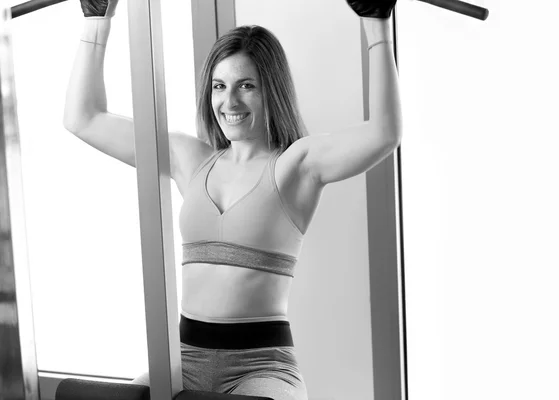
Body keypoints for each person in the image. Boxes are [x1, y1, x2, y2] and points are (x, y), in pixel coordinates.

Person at [63, 0, 401, 399]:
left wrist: (377, 25)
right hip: (184, 360)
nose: (230, 102)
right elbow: (82, 118)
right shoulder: (190, 159)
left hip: (261, 367)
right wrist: (96, 20)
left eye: (246, 85)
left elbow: (383, 133)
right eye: (219, 86)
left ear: (270, 90)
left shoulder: (296, 165)